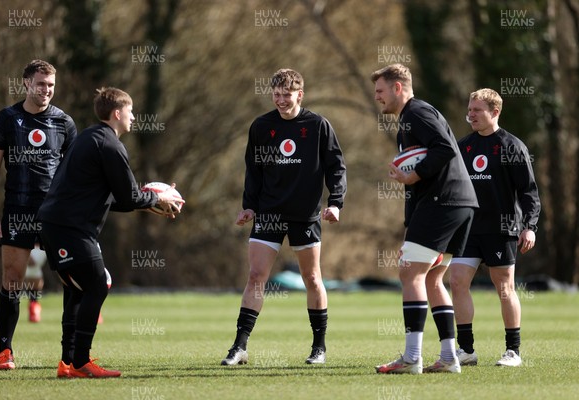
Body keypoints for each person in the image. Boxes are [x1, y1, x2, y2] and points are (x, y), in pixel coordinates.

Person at [37, 87, 183, 378]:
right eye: (130, 111)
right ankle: (80, 362)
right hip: (69, 228)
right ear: (117, 113)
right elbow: (129, 197)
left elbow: (110, 198)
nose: (133, 117)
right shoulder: (111, 145)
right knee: (98, 284)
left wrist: (149, 202)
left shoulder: (89, 138)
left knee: (78, 290)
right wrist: (157, 200)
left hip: (57, 225)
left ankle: (68, 363)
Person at [221, 68, 347, 366]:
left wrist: (336, 203)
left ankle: (319, 348)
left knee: (312, 278)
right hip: (269, 212)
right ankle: (239, 347)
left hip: (305, 215)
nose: (280, 100)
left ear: (299, 95)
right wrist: (248, 206)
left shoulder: (318, 126)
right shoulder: (262, 126)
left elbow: (336, 167)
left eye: (286, 95)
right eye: (276, 95)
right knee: (255, 276)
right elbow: (254, 170)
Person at [371, 63, 478, 374]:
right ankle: (448, 358)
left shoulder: (416, 113)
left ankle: (411, 357)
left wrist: (414, 174)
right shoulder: (410, 118)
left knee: (409, 274)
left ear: (398, 88)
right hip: (458, 204)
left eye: (380, 90)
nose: (377, 97)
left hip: (442, 203)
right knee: (432, 278)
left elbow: (445, 148)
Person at [0, 59, 77, 370]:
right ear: (25, 83)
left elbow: (76, 173)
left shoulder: (64, 123)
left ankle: (71, 355)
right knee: (12, 281)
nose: (46, 90)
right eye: (40, 84)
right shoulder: (7, 119)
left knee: (72, 280)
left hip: (56, 214)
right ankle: (5, 352)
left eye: (51, 85)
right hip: (17, 211)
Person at [450, 88, 540, 367]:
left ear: (495, 112)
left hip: (502, 228)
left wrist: (530, 226)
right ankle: (466, 350)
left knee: (504, 287)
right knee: (456, 281)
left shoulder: (512, 146)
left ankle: (513, 351)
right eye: (470, 109)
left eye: (477, 110)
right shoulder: (464, 147)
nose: (471, 114)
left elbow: (529, 192)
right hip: (469, 228)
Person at [25, 246, 48, 322]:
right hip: (34, 272)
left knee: (33, 295)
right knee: (33, 295)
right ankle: (34, 312)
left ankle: (34, 312)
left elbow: (32, 263)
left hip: (33, 272)